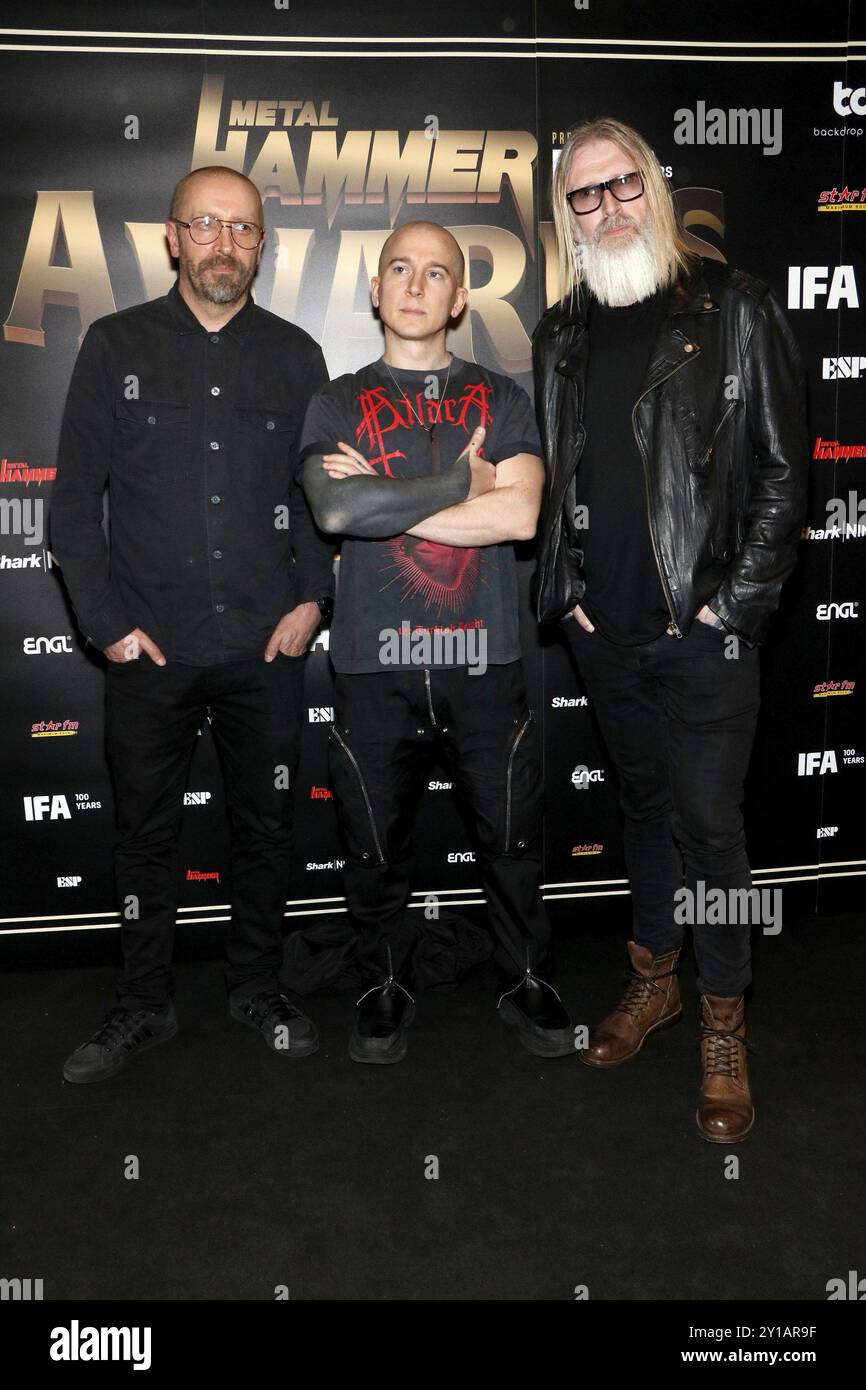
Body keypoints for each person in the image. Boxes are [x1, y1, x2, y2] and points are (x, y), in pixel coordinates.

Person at [532, 118, 808, 1140]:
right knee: (643, 813)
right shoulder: (557, 331)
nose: (604, 209)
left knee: (712, 832)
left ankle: (725, 1024)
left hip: (704, 640)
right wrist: (566, 594)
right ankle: (655, 979)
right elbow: (562, 482)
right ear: (564, 214)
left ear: (651, 186)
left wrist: (726, 608)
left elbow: (785, 476)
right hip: (601, 635)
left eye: (619, 187)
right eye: (581, 196)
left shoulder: (730, 309)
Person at [51, 166, 335, 1082]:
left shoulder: (296, 356)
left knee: (265, 827)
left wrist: (312, 601)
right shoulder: (112, 343)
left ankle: (257, 986)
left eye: (243, 229)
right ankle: (143, 1000)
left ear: (263, 244)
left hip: (265, 648)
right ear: (172, 238)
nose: (225, 243)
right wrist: (107, 627)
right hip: (151, 651)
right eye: (205, 225)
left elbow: (326, 496)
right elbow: (69, 508)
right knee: (145, 835)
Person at [299, 219, 575, 1064]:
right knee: (373, 843)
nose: (415, 285)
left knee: (510, 839)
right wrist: (464, 482)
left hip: (486, 660)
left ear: (460, 298)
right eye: (399, 270)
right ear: (375, 289)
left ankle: (525, 975)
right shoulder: (336, 400)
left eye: (436, 274)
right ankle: (383, 980)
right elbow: (338, 513)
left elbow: (521, 514)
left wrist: (390, 496)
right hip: (372, 665)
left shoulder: (505, 399)